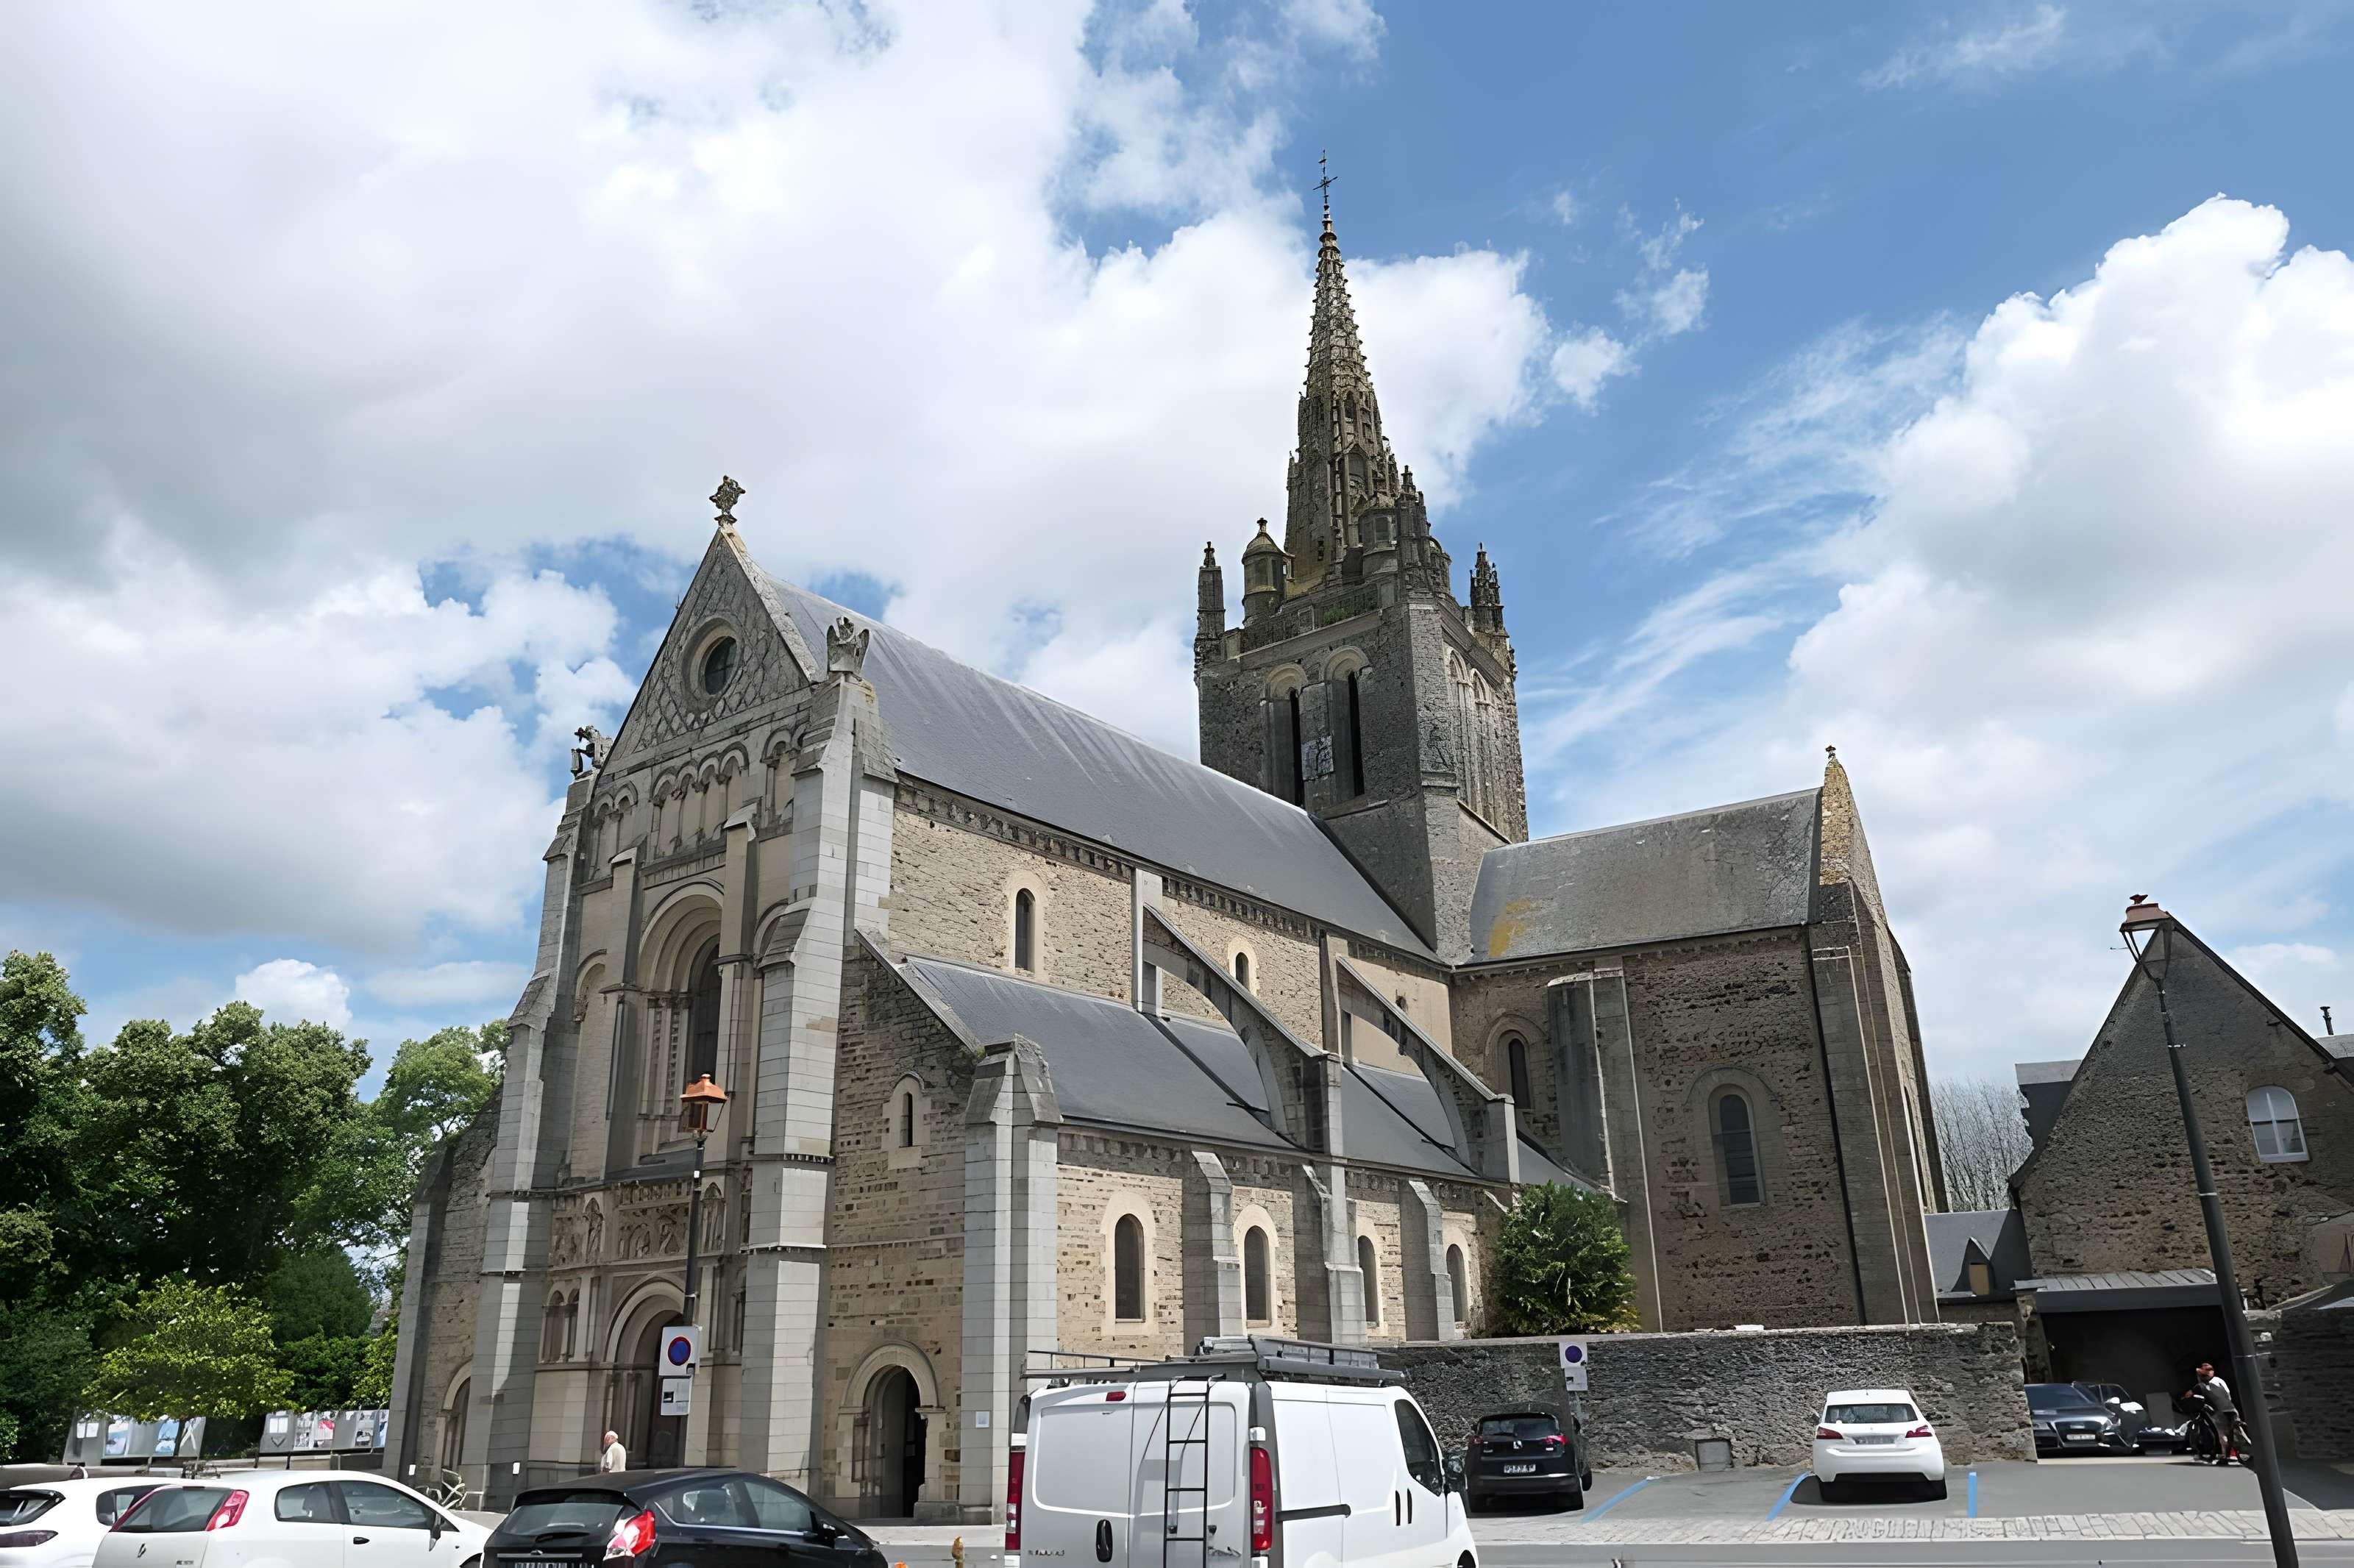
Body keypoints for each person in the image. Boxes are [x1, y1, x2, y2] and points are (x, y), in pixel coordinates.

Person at [2192, 1363, 2251, 1463]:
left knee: (2225, 1434)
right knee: (2234, 1433)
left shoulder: (2205, 1385)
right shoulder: (2216, 1381)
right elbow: (2228, 1394)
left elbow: (2199, 1399)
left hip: (2220, 1411)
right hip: (2228, 1409)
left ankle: (2227, 1455)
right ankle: (2231, 1454)